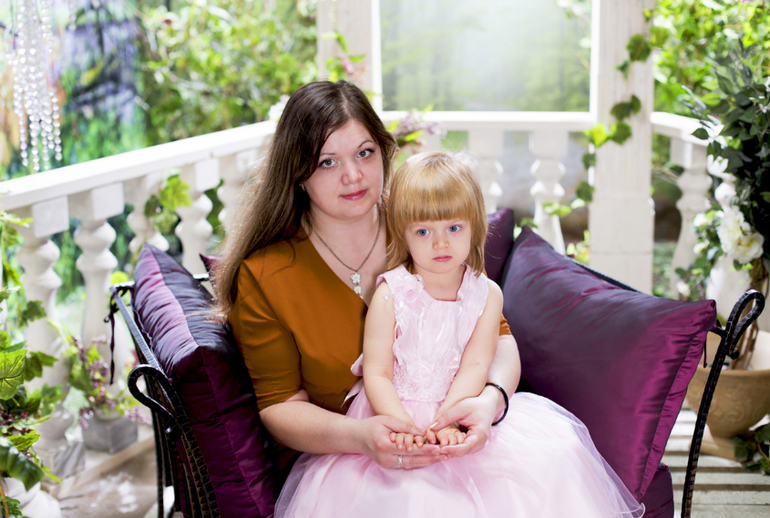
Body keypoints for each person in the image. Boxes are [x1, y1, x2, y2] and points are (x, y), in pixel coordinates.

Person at [270, 152, 645, 518]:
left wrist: (449, 421)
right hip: (393, 412)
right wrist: (405, 428)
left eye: (453, 228)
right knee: (408, 493)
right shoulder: (391, 293)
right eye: (423, 231)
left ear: (474, 226)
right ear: (403, 233)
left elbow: (476, 365)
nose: (440, 243)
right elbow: (377, 373)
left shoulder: (486, 294)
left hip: (461, 406)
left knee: (551, 456)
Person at [215, 80, 517, 480]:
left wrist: (491, 401)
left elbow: (498, 337)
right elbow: (279, 404)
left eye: (364, 152)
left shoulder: (426, 229)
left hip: (458, 444)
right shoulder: (265, 275)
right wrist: (360, 436)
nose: (353, 175)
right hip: (349, 464)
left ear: (384, 151)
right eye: (327, 162)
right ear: (298, 174)